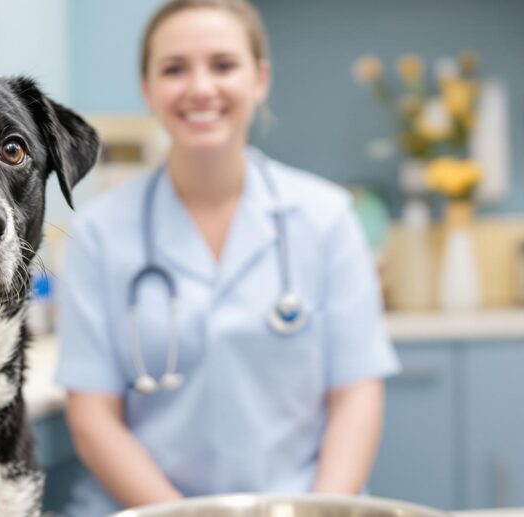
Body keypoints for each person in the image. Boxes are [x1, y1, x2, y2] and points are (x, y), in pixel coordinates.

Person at [54, 1, 400, 515]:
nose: (200, 87)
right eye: (174, 69)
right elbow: (93, 416)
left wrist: (322, 511)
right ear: (147, 87)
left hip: (303, 506)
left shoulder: (327, 217)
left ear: (259, 79)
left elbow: (355, 395)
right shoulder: (97, 235)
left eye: (223, 65)